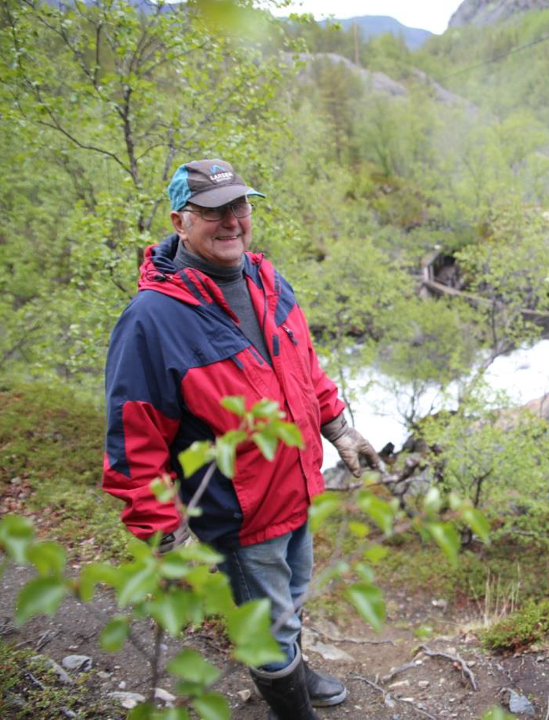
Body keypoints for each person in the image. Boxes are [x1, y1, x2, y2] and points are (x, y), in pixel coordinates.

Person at [103, 158, 383, 720]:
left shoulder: (267, 279)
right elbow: (135, 439)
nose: (231, 221)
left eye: (239, 206)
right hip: (239, 513)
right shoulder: (152, 319)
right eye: (212, 211)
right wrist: (159, 531)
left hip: (299, 487)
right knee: (268, 622)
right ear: (180, 221)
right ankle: (289, 704)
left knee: (292, 597)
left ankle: (294, 671)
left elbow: (304, 367)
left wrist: (338, 427)